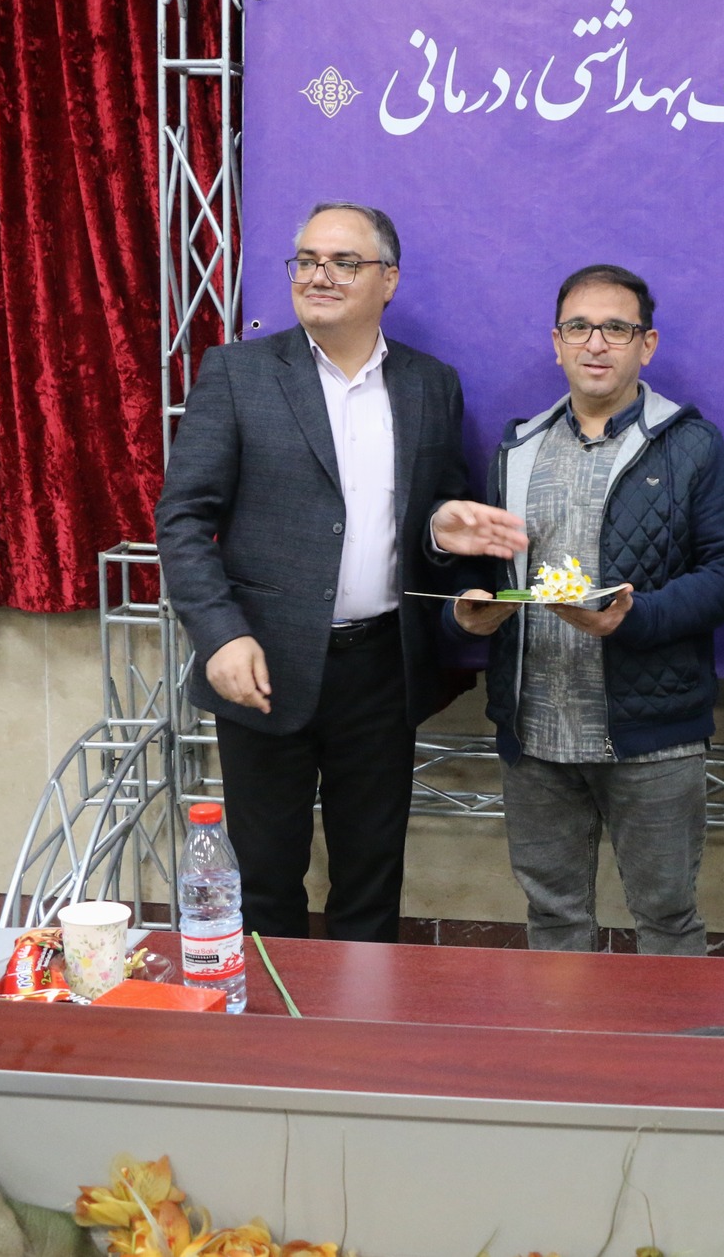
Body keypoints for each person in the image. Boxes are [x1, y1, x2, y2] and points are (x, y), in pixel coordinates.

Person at [156, 201, 526, 943]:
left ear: (388, 280)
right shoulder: (239, 373)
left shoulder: (431, 385)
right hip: (263, 665)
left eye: (343, 262)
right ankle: (272, 1019)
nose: (318, 275)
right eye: (307, 260)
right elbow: (183, 519)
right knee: (264, 882)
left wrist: (441, 532)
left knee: (371, 880)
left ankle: (363, 1015)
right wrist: (220, 634)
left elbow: (433, 524)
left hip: (381, 670)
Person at [448, 263, 724, 954]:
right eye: (579, 327)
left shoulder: (691, 445)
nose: (595, 343)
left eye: (616, 328)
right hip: (535, 735)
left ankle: (670, 1033)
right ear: (555, 342)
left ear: (646, 345)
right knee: (553, 919)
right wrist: (467, 612)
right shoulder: (517, 447)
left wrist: (635, 617)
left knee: (667, 918)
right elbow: (485, 568)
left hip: (653, 737)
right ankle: (565, 1031)